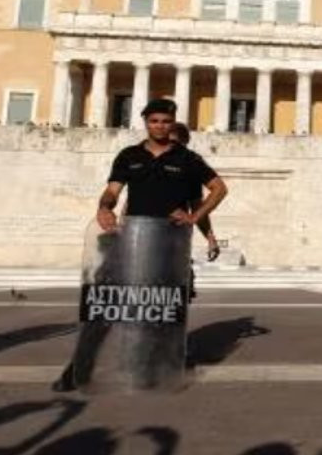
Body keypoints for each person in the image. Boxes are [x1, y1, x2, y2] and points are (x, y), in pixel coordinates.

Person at [52, 98, 227, 392]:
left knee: (158, 311)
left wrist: (198, 219)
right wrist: (104, 208)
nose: (160, 126)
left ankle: (152, 366)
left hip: (167, 245)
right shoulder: (129, 155)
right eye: (154, 121)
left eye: (166, 121)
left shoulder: (188, 160)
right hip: (128, 241)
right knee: (103, 306)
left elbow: (218, 189)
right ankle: (78, 368)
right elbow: (112, 192)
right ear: (146, 122)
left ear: (173, 123)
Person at [171, 122, 221, 262]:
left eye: (177, 145)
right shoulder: (146, 159)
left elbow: (196, 204)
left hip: (173, 236)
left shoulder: (189, 163)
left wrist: (210, 238)